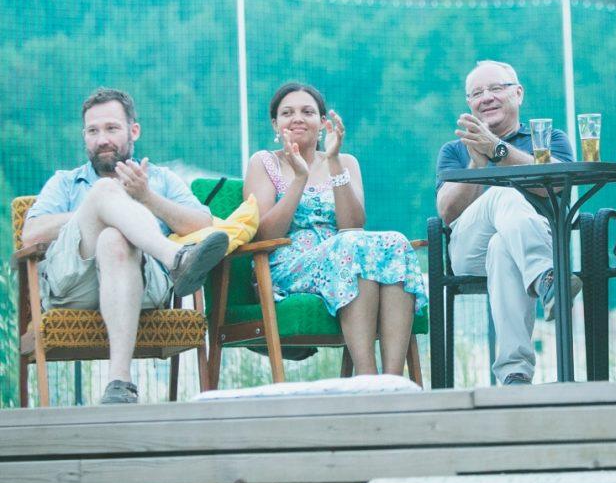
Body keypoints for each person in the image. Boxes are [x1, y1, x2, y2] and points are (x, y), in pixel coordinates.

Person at [22, 87, 226, 405]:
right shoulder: (65, 182)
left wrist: (148, 198)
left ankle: (119, 382)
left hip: (142, 286)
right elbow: (30, 235)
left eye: (111, 128)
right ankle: (176, 259)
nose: (102, 139)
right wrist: (97, 208)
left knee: (114, 240)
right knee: (105, 192)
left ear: (134, 131)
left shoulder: (160, 179)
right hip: (73, 287)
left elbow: (203, 224)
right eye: (93, 131)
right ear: (84, 136)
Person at [243, 82, 426, 377]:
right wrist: (300, 178)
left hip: (345, 256)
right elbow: (264, 235)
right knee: (352, 246)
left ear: (322, 122)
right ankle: (366, 376)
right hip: (286, 266)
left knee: (395, 241)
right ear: (275, 124)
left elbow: (352, 225)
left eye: (307, 112)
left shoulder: (345, 161)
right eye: (287, 113)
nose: (298, 118)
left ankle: (393, 380)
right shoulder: (264, 162)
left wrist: (334, 161)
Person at [435, 60, 576, 386]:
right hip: (470, 251)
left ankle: (514, 373)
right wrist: (476, 163)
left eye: (496, 88)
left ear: (518, 93)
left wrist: (498, 151)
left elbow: (558, 184)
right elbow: (446, 212)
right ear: (469, 103)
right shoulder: (455, 149)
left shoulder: (548, 138)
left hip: (525, 246)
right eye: (477, 93)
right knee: (505, 193)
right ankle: (548, 278)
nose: (486, 97)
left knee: (502, 247)